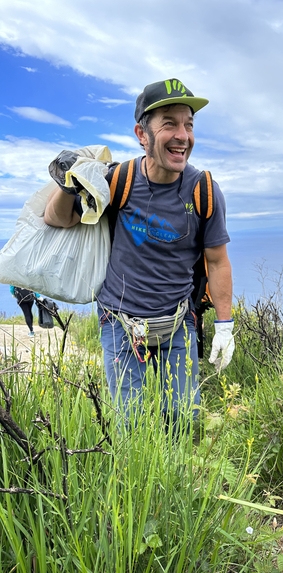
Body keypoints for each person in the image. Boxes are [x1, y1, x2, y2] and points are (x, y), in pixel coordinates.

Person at [43, 78, 235, 423]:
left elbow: (217, 261)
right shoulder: (118, 180)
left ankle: (178, 477)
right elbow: (57, 220)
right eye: (170, 124)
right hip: (120, 322)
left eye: (189, 125)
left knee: (183, 422)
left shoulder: (204, 190)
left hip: (177, 323)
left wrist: (225, 326)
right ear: (142, 134)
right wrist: (68, 184)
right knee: (128, 425)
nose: (183, 136)